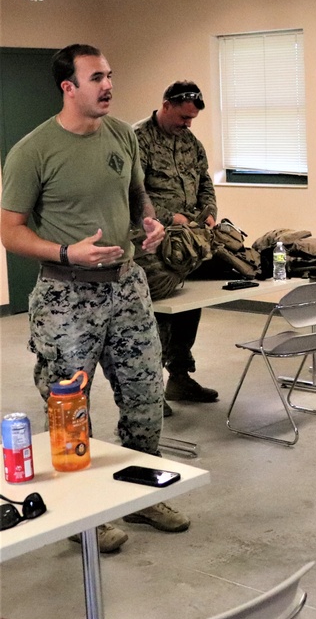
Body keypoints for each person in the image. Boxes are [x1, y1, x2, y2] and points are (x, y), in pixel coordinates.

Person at [0, 44, 190, 553]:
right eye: (97, 78)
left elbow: (135, 193)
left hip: (128, 288)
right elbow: (10, 233)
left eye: (110, 75)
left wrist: (147, 222)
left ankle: (141, 494)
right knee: (69, 412)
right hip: (66, 297)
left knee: (146, 399)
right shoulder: (32, 151)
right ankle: (82, 518)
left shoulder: (122, 134)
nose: (108, 85)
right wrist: (66, 251)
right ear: (69, 87)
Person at [134, 81, 219, 408]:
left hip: (189, 243)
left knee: (190, 305)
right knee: (159, 314)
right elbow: (133, 194)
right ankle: (149, 392)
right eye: (183, 116)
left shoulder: (190, 142)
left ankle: (180, 378)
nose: (187, 123)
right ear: (166, 104)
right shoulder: (138, 139)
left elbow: (205, 182)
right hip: (152, 243)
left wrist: (209, 212)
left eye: (192, 119)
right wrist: (172, 218)